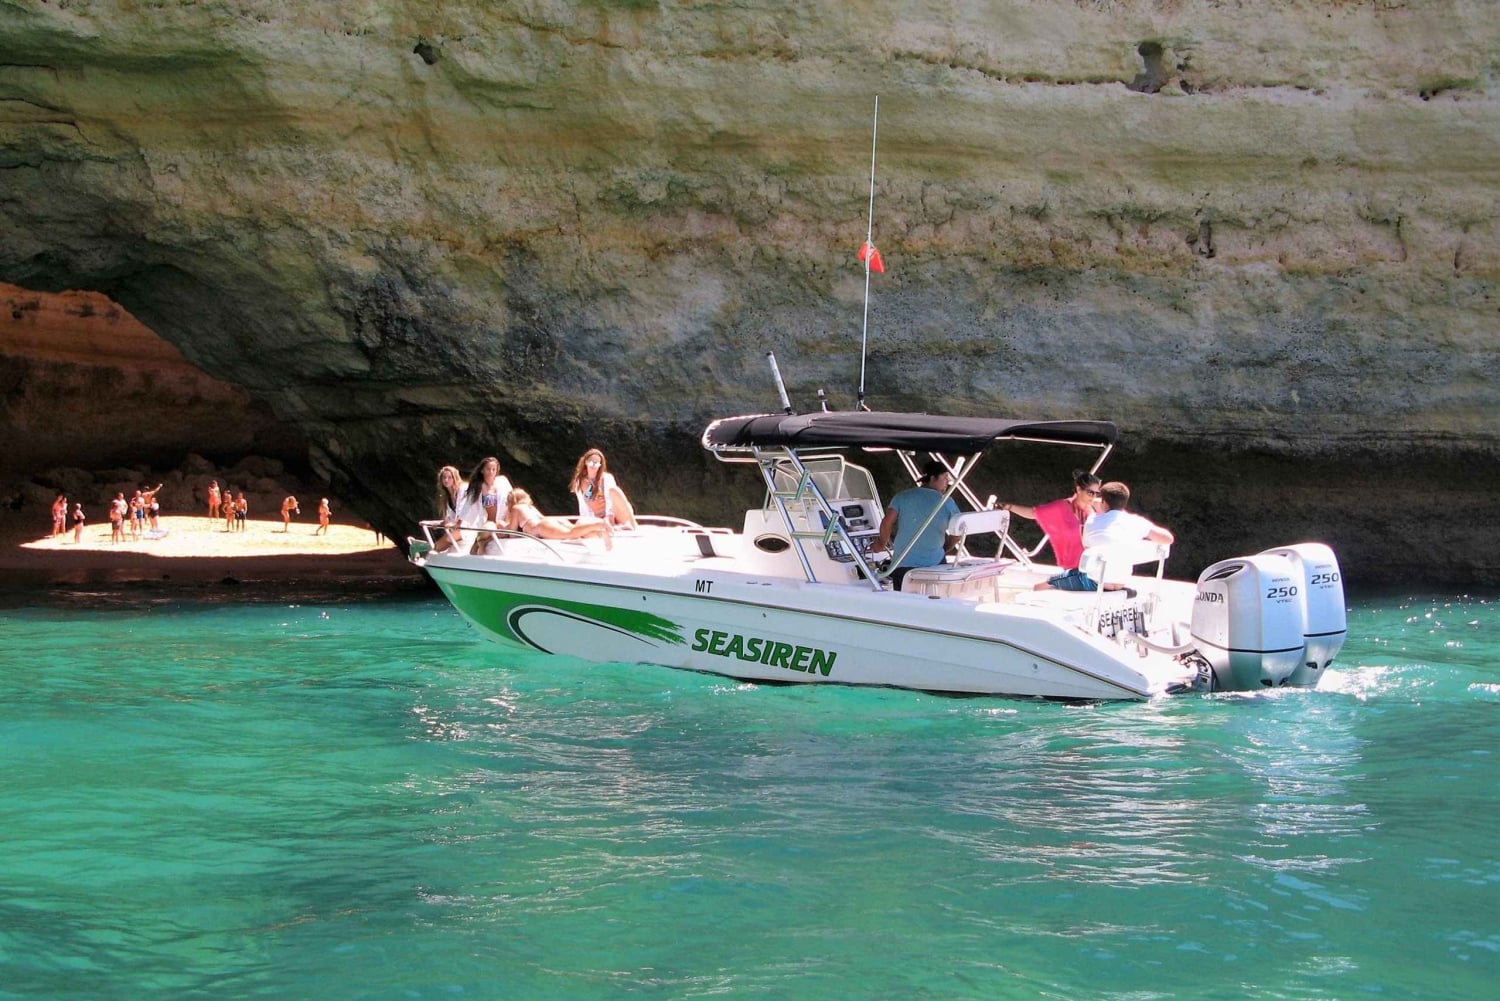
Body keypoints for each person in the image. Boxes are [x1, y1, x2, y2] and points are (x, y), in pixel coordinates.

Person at [1035, 481, 1175, 592]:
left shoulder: (1092, 521)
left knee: (1042, 585)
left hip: (1094, 583)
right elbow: (1168, 538)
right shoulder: (1137, 522)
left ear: (1104, 502)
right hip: (1120, 583)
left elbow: (1087, 547)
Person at [874, 460, 962, 589]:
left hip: (903, 564)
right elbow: (958, 531)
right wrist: (944, 549)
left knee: (903, 603)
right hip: (935, 565)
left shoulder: (902, 497)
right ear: (933, 478)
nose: (947, 483)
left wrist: (881, 544)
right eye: (945, 478)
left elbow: (887, 522)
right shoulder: (947, 502)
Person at [1000, 469, 1102, 572]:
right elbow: (1033, 513)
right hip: (1073, 568)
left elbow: (1115, 501)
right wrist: (1010, 507)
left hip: (1093, 565)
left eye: (1097, 493)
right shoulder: (1061, 507)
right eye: (1090, 493)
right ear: (1079, 489)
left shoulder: (1096, 506)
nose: (1093, 496)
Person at [504, 488, 612, 549]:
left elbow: (512, 534)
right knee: (577, 532)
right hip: (551, 520)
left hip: (541, 527)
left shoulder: (516, 508)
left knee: (570, 533)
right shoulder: (530, 507)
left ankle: (600, 524)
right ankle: (599, 533)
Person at [570, 448, 638, 531]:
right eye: (591, 461)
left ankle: (631, 523)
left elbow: (610, 500)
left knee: (614, 490)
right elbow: (586, 501)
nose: (594, 464)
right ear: (586, 462)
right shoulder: (580, 482)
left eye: (597, 462)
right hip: (595, 518)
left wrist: (609, 517)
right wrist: (592, 484)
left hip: (614, 515)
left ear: (600, 465)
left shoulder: (607, 478)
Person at [464, 457, 513, 532]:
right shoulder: (477, 486)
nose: (491, 472)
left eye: (494, 469)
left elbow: (513, 499)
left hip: (505, 521)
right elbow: (467, 505)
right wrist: (459, 521)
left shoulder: (503, 481)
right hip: (489, 523)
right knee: (490, 528)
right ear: (482, 470)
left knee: (503, 525)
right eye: (488, 469)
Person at [432, 465, 469, 552]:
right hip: (457, 528)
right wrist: (440, 523)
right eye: (444, 477)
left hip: (466, 527)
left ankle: (429, 557)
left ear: (455, 478)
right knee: (439, 546)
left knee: (438, 546)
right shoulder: (446, 496)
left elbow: (463, 512)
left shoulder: (463, 489)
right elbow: (450, 518)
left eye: (449, 477)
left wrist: (453, 523)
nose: (446, 480)